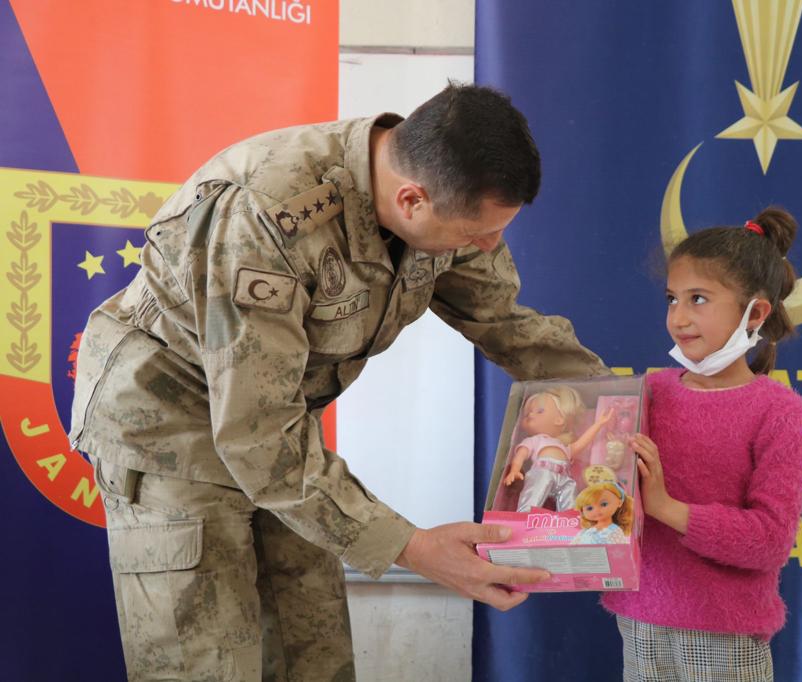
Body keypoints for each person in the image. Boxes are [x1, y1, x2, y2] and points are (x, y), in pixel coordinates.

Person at [69, 83, 608, 680]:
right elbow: (255, 434)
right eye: (475, 235)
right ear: (412, 200)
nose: (488, 246)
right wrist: (417, 550)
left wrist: (610, 407)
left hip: (280, 427)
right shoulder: (263, 214)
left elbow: (504, 318)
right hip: (169, 432)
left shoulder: (444, 201)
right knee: (207, 664)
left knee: (313, 651)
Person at [603, 208, 802, 681]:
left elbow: (770, 541)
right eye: (672, 298)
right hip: (639, 620)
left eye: (699, 299)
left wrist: (666, 507)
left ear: (755, 312)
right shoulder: (648, 394)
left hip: (723, 631)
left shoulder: (776, 408)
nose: (678, 317)